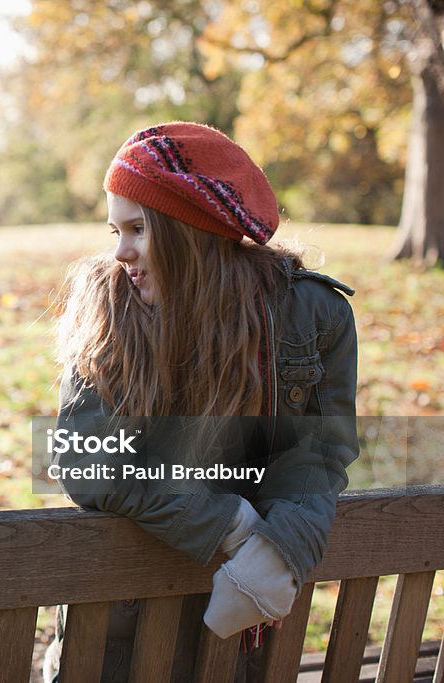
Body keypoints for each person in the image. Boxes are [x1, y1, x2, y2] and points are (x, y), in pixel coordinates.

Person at [44, 122, 358, 682]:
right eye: (114, 229)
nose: (120, 252)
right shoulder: (109, 315)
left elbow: (317, 454)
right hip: (119, 636)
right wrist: (233, 526)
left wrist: (279, 551)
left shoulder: (310, 315)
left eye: (137, 229)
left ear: (189, 230)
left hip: (245, 638)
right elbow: (88, 464)